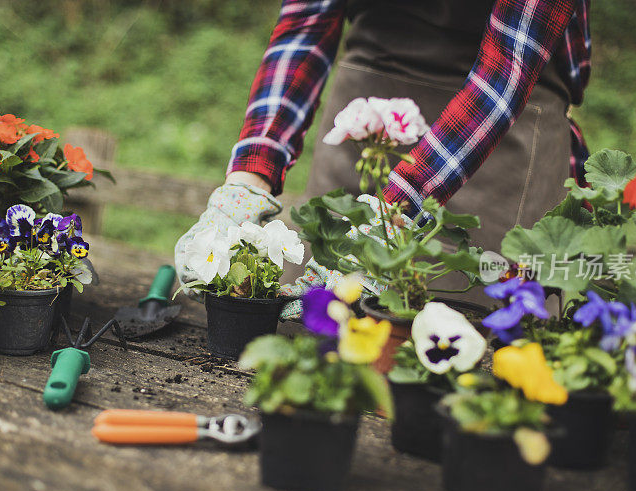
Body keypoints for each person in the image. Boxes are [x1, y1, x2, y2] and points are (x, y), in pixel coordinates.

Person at [175, 0, 591, 306]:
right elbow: (305, 25)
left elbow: (507, 68)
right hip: (367, 92)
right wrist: (248, 178)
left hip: (501, 123)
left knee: (459, 327)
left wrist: (392, 217)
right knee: (317, 317)